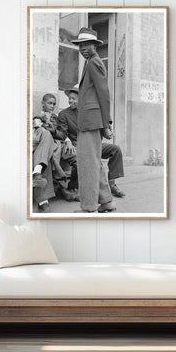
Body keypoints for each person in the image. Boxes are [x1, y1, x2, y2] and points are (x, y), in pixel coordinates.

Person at [70, 27, 116, 213]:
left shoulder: (94, 63)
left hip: (91, 121)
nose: (82, 48)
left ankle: (89, 207)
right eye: (80, 45)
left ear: (95, 46)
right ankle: (106, 201)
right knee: (93, 161)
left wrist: (107, 123)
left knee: (88, 163)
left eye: (86, 44)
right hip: (89, 120)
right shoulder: (90, 62)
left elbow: (104, 94)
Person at [58, 85, 125, 198]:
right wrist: (67, 140)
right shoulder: (64, 114)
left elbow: (100, 128)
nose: (70, 101)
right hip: (77, 146)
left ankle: (112, 184)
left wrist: (107, 132)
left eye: (74, 98)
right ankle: (75, 186)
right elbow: (62, 132)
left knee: (116, 149)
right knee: (85, 157)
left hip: (93, 144)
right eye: (69, 98)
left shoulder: (90, 112)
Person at [37, 93, 78, 202]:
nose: (52, 106)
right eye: (49, 103)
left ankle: (72, 186)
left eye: (54, 104)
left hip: (58, 143)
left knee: (76, 156)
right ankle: (61, 188)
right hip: (45, 145)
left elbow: (62, 133)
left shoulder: (56, 117)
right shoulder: (37, 117)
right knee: (52, 155)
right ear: (42, 104)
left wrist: (63, 137)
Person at [31, 116, 55, 212]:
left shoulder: (41, 129)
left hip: (37, 149)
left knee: (46, 133)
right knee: (43, 157)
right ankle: (42, 201)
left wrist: (38, 126)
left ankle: (37, 171)